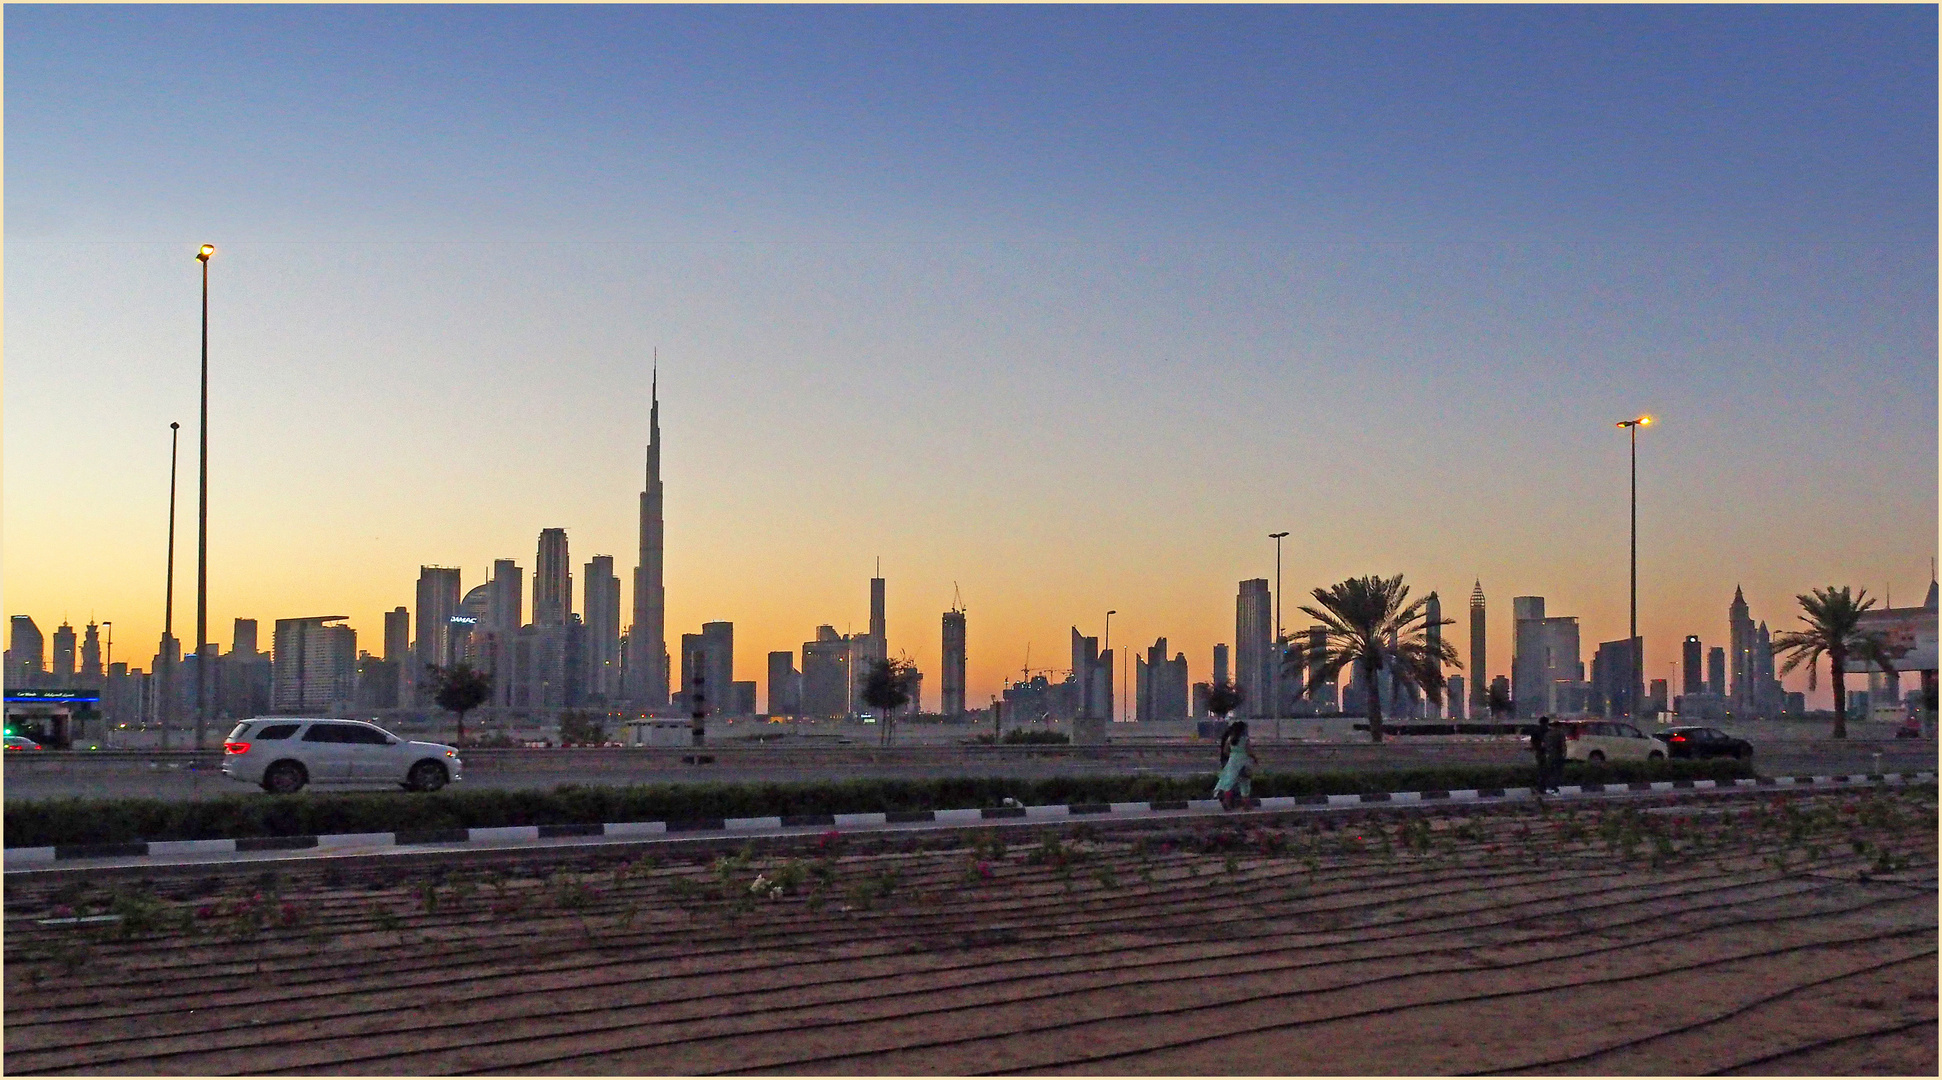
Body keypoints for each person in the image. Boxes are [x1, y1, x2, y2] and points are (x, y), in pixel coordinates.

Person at [1214, 720, 1257, 810]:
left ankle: (1228, 803)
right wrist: (1255, 758)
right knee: (1244, 783)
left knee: (1229, 783)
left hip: (1232, 762)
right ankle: (1246, 805)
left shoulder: (1230, 739)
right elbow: (1249, 751)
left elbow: (1225, 751)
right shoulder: (1245, 739)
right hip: (1244, 762)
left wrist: (1233, 755)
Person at [1531, 715, 1555, 795]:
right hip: (1549, 752)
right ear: (1547, 722)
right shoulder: (1549, 731)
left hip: (1540, 752)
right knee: (1548, 771)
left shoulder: (1536, 731)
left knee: (1541, 770)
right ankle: (1546, 787)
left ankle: (1541, 787)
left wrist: (1536, 748)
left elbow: (1533, 742)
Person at [1543, 718, 1567, 794]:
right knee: (1558, 772)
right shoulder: (1560, 733)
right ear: (1558, 726)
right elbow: (1563, 745)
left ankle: (1549, 787)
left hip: (1549, 755)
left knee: (1550, 771)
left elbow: (1544, 744)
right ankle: (1555, 787)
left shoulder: (1547, 734)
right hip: (1558, 755)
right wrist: (1564, 754)